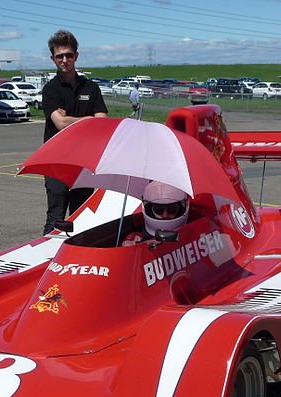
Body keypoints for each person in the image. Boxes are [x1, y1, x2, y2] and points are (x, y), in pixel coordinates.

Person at [41, 30, 108, 235]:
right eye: (59, 56)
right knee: (56, 217)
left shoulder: (90, 87)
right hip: (57, 162)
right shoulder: (51, 90)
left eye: (69, 55)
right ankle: (48, 260)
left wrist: (71, 119)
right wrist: (88, 119)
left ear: (76, 56)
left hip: (83, 162)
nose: (65, 60)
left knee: (82, 215)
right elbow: (60, 124)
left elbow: (102, 121)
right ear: (53, 59)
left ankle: (78, 262)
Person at [123, 181, 189, 245]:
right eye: (158, 210)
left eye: (172, 210)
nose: (165, 215)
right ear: (149, 210)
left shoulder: (195, 228)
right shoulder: (136, 239)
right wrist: (141, 247)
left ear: (182, 208)